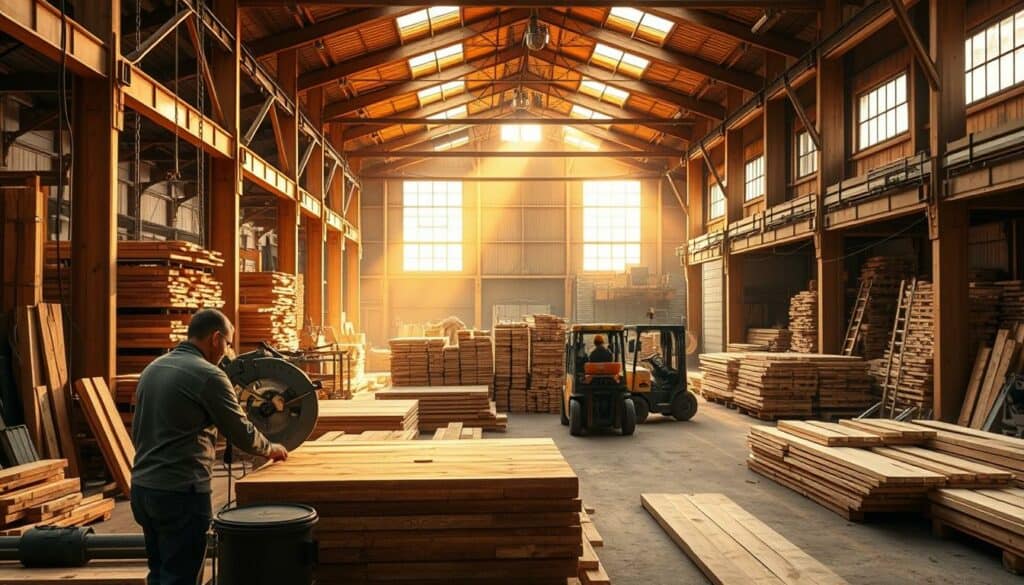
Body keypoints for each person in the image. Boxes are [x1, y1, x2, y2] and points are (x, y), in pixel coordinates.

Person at [131, 308, 288, 585]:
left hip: (143, 489)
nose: (227, 352)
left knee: (158, 573)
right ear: (216, 338)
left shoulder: (153, 368)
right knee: (181, 578)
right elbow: (241, 432)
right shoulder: (208, 375)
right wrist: (270, 448)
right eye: (227, 343)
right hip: (180, 493)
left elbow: (139, 428)